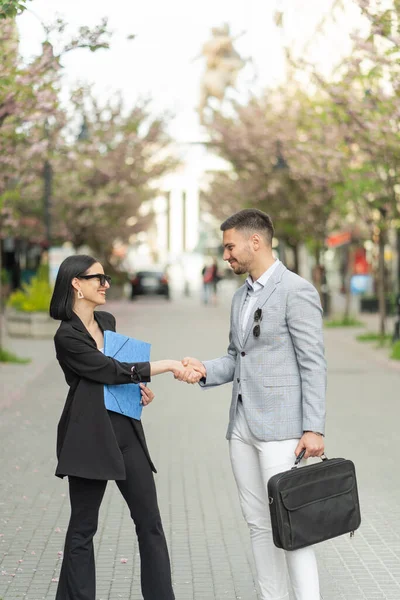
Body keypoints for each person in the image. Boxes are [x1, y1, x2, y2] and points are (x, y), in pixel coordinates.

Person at [177, 209, 326, 600]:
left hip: (283, 430)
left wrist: (314, 427)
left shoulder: (297, 290)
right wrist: (202, 369)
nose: (225, 255)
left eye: (230, 246)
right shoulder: (240, 296)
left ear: (254, 242)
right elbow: (236, 356)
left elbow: (313, 362)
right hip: (241, 427)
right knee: (259, 524)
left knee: (291, 527)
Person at [49, 254, 201, 600]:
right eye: (98, 279)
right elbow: (106, 370)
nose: (105, 285)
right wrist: (163, 366)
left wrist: (136, 390)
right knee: (83, 529)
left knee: (150, 524)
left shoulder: (107, 320)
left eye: (106, 279)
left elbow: (117, 373)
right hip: (89, 435)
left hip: (126, 431)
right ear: (76, 284)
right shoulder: (66, 336)